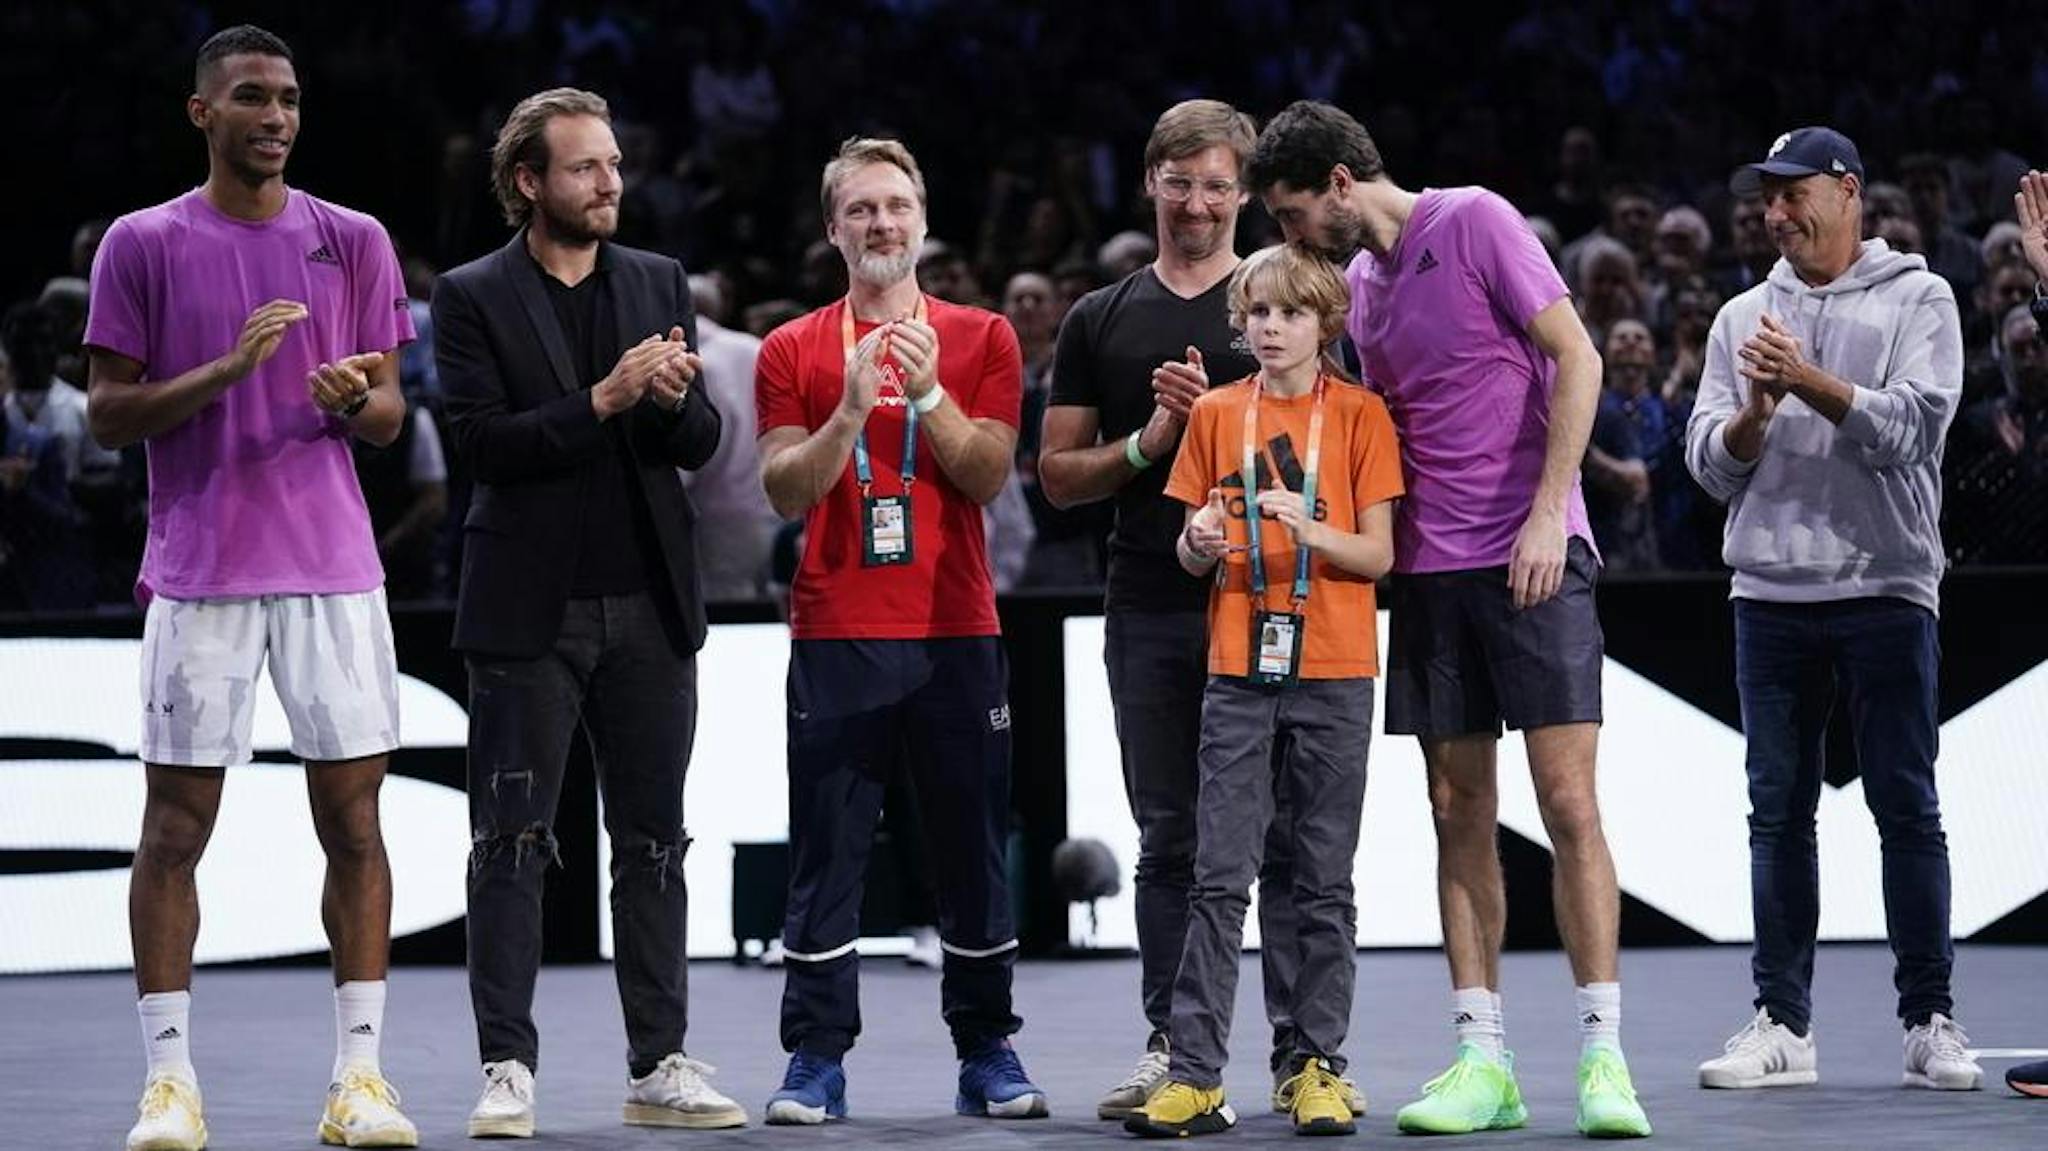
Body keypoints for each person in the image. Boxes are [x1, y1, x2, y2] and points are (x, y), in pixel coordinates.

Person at [1252, 100, 1652, 1139]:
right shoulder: (1360, 289)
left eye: (1294, 214)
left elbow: (1576, 356)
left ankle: (1603, 1057)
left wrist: (1543, 516)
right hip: (1427, 574)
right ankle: (1483, 1060)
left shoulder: (1473, 218)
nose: (1292, 239)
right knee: (1452, 809)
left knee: (1566, 802)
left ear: (1340, 181)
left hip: (1531, 556)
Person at [83, 25, 418, 1150]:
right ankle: (168, 1084)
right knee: (173, 827)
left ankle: (358, 1081)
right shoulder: (141, 242)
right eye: (250, 98)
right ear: (202, 114)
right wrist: (224, 371)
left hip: (332, 570)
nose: (274, 116)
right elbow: (106, 411)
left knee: (355, 823)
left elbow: (388, 414)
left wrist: (344, 399)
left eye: (287, 98)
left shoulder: (353, 238)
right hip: (201, 569)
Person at [1040, 99, 1361, 1122]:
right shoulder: (1099, 316)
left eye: (1217, 183)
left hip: (1287, 610)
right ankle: (1173, 1048)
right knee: (1172, 839)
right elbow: (1055, 475)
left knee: (1295, 849)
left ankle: (1303, 1055)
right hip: (1150, 603)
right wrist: (1150, 439)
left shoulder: (1289, 296)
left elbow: (1344, 448)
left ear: (1243, 194)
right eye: (1178, 182)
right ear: (1149, 184)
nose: (1196, 201)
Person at [435, 87, 744, 1136]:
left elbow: (699, 445)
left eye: (614, 165)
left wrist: (672, 403)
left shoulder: (657, 278)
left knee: (655, 841)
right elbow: (479, 445)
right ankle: (506, 1066)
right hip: (528, 610)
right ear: (530, 182)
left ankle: (659, 1061)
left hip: (650, 603)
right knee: (510, 840)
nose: (610, 182)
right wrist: (606, 399)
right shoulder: (471, 293)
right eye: (585, 168)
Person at [753, 136, 1046, 1124]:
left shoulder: (983, 337)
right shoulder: (791, 348)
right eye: (860, 210)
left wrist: (924, 392)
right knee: (827, 850)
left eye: (895, 206)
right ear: (834, 228)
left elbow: (987, 473)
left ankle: (987, 1048)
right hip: (836, 628)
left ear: (921, 218)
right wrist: (844, 412)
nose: (881, 224)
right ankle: (814, 1058)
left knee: (966, 843)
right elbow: (784, 489)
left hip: (954, 626)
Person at [1685, 126, 1979, 1093]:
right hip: (1769, 595)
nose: (1775, 213)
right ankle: (1783, 1024)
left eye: (1793, 192)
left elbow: (1916, 428)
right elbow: (1706, 466)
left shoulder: (1921, 297)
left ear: (1848, 191)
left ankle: (1929, 1019)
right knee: (1777, 815)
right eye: (1767, 198)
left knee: (1907, 807)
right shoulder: (1740, 318)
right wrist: (1756, 414)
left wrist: (1804, 379)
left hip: (1888, 588)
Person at [1122, 242, 1402, 1139]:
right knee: (1218, 876)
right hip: (1239, 668)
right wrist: (1199, 544)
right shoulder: (1214, 414)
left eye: (1291, 313)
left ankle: (1313, 1065)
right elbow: (1185, 547)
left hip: (1334, 668)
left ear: (1327, 323)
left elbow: (1378, 554)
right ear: (1240, 322)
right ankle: (1197, 1071)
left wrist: (1311, 529)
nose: (1271, 327)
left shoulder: (1362, 416)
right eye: (1259, 312)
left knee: (1319, 878)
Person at [681, 273, 778, 602]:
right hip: (774, 507)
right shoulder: (754, 348)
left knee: (728, 617)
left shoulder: (697, 362)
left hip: (720, 517)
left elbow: (695, 451)